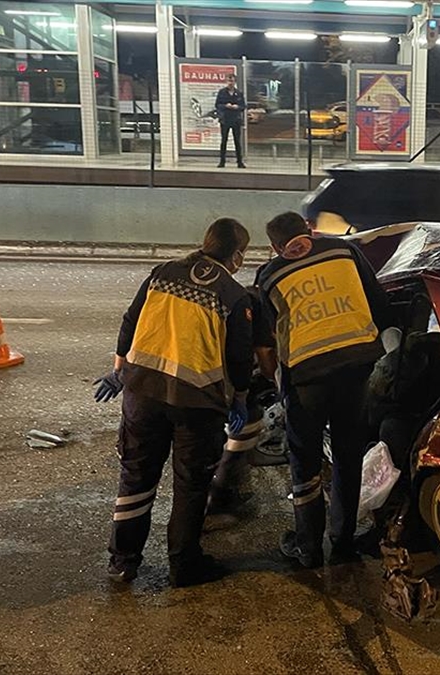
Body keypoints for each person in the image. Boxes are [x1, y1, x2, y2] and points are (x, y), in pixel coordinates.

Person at [94, 218, 254, 587]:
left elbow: (130, 322)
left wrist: (119, 371)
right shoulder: (232, 294)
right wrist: (240, 397)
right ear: (236, 255)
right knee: (191, 485)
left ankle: (123, 561)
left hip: (143, 392)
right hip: (196, 403)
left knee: (135, 477)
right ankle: (184, 566)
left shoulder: (162, 272)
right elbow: (240, 357)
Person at [255, 212, 392, 568]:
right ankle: (343, 543)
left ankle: (309, 548)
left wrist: (277, 381)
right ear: (308, 230)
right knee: (347, 455)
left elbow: (269, 340)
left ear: (274, 247)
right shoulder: (343, 250)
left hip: (307, 376)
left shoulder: (269, 275)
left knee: (305, 460)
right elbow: (377, 300)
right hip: (356, 364)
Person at [204, 223, 278, 531]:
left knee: (210, 443)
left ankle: (223, 490)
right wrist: (255, 389)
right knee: (247, 425)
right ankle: (218, 500)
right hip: (222, 384)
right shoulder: (255, 304)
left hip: (195, 379)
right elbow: (262, 359)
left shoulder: (219, 290)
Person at [215, 74, 245, 169]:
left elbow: (243, 106)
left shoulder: (239, 93)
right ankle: (222, 161)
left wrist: (238, 107)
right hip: (225, 119)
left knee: (237, 141)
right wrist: (225, 106)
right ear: (226, 81)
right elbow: (217, 105)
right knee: (224, 140)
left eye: (232, 81)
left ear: (235, 82)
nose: (230, 83)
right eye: (229, 81)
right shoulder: (222, 92)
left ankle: (240, 162)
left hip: (236, 119)